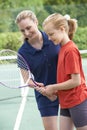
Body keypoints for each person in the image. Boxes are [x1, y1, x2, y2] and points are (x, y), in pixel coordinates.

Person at [35, 13, 87, 130]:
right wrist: (49, 89)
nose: (49, 38)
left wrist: (53, 87)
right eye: (47, 35)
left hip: (77, 101)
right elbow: (65, 79)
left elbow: (76, 81)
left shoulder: (70, 50)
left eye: (51, 34)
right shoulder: (62, 49)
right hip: (65, 102)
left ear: (62, 29)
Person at [15, 10, 60, 130]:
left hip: (66, 90)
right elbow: (27, 80)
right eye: (22, 30)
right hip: (45, 97)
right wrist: (39, 87)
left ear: (36, 22)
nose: (27, 33)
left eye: (29, 27)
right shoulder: (22, 53)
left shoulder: (54, 37)